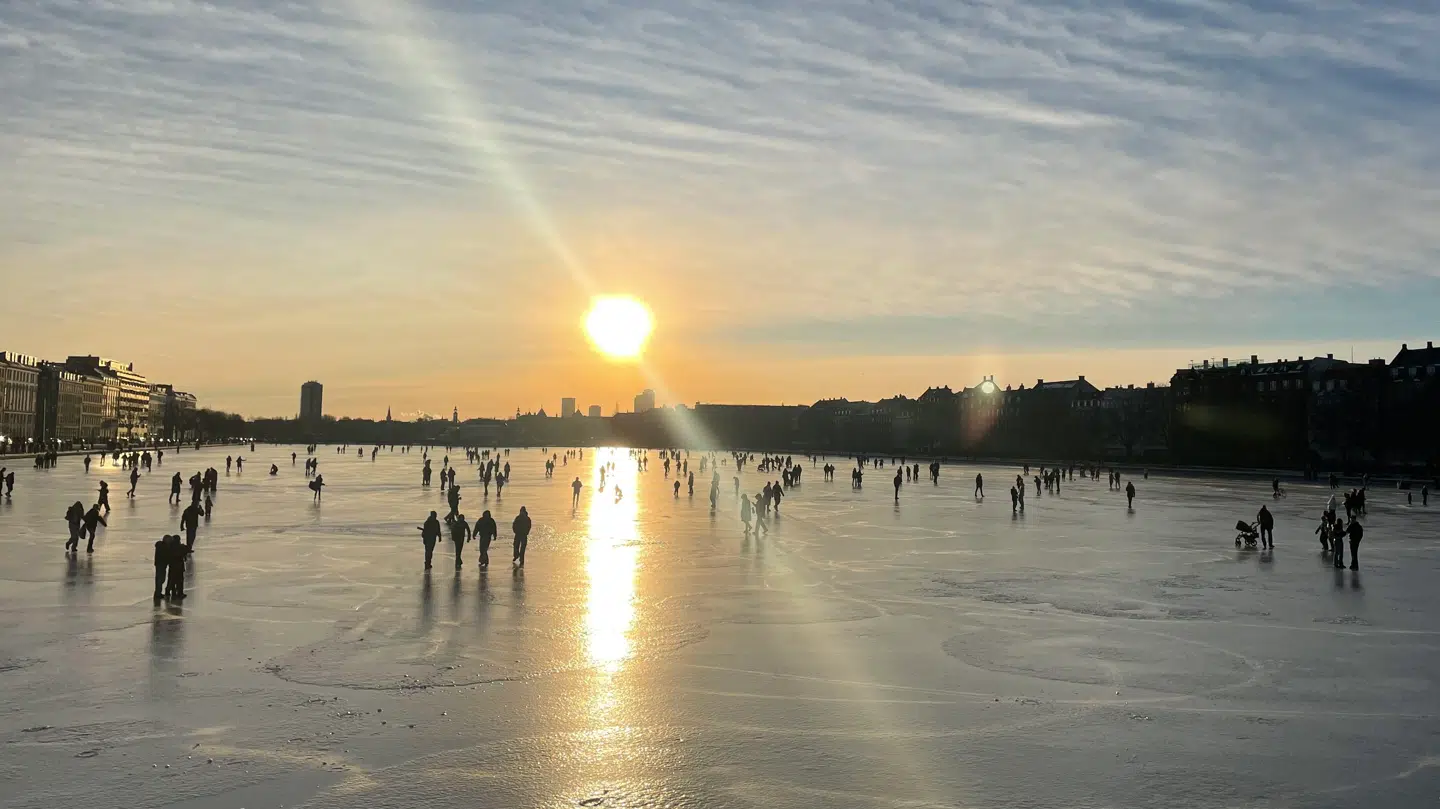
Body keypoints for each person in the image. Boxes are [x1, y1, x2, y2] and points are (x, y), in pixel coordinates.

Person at [165, 534, 186, 599]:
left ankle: (170, 591)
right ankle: (180, 593)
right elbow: (186, 550)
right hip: (179, 566)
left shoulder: (170, 547)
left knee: (171, 579)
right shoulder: (181, 547)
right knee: (180, 580)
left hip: (172, 566)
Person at [154, 534, 172, 599]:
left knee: (160, 579)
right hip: (161, 564)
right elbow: (166, 555)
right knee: (160, 579)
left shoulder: (159, 545)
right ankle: (158, 593)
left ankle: (158, 592)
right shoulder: (164, 547)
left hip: (159, 564)